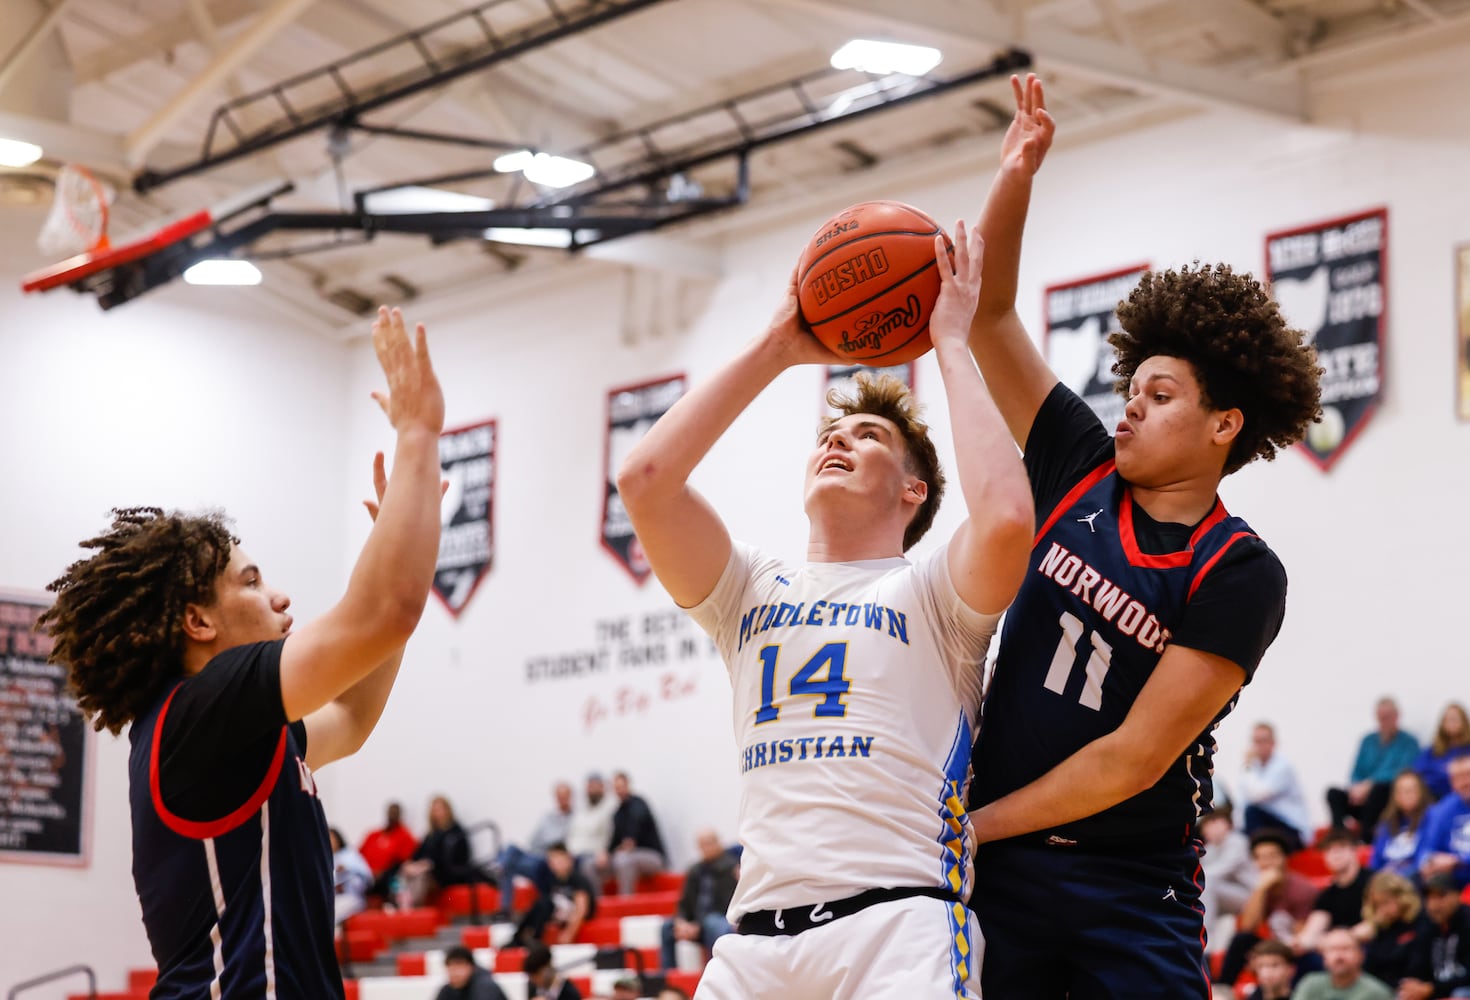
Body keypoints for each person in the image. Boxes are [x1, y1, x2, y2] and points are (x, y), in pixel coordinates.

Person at [959, 73, 1322, 1000]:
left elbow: (1132, 758)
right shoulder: (1079, 461)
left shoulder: (1239, 571)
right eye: (1132, 389)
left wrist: (976, 825)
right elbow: (993, 316)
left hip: (1132, 883)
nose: (1130, 408)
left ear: (1224, 424)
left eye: (1161, 398)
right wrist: (1015, 178)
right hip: (1002, 875)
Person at [617, 210, 1032, 997]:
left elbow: (1009, 516)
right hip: (754, 946)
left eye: (869, 435)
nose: (838, 440)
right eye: (830, 433)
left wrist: (949, 340)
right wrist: (778, 346)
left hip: (897, 930)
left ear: (914, 490)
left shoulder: (933, 591)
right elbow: (643, 481)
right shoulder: (747, 589)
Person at [37, 306, 444, 998]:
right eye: (251, 582)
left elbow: (352, 714)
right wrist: (417, 434)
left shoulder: (223, 734)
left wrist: (409, 548)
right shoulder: (200, 711)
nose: (279, 596)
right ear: (197, 621)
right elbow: (383, 613)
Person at [1219, 830, 1325, 987]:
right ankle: (1221, 991)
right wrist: (1261, 889)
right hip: (1274, 943)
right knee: (1242, 940)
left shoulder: (1302, 889)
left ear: (1284, 858)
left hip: (1298, 947)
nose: (1266, 862)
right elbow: (1248, 927)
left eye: (1272, 856)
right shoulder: (1261, 887)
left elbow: (1300, 939)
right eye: (1259, 858)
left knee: (1309, 960)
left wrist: (1267, 955)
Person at [1326, 698, 1420, 838]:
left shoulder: (1409, 742)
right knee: (1333, 793)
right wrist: (1356, 789)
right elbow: (1356, 771)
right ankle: (1340, 837)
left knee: (1379, 789)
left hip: (1386, 798)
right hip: (1362, 799)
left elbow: (1404, 773)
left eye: (1387, 717)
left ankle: (1366, 837)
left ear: (1397, 716)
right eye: (1380, 717)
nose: (1384, 721)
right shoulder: (1367, 741)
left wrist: (1369, 785)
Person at [660, 828, 738, 970]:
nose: (707, 848)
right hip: (695, 924)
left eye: (710, 843)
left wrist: (698, 925)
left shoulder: (731, 868)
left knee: (714, 923)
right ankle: (668, 975)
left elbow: (727, 904)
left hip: (717, 921)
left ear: (718, 842)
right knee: (667, 927)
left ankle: (717, 971)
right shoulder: (695, 870)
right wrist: (682, 921)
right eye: (703, 844)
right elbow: (685, 903)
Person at [1295, 828, 1372, 954]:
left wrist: (1336, 940)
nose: (1335, 854)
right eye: (1328, 850)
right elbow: (1312, 930)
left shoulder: (1375, 882)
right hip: (1341, 948)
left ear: (1355, 851)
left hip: (1373, 946)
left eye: (1341, 848)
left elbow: (1377, 923)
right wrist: (1299, 943)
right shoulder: (1328, 895)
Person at [1239, 722, 1313, 853]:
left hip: (1292, 830)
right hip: (1268, 826)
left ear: (1273, 743)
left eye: (1263, 740)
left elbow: (1257, 796)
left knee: (1252, 812)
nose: (1259, 746)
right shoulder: (1254, 767)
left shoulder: (1282, 766)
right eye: (1256, 741)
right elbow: (1242, 800)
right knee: (1238, 833)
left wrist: (1247, 766)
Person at [591, 771, 666, 896]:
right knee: (590, 865)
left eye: (621, 786)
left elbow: (634, 831)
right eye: (616, 787)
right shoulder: (617, 813)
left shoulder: (639, 804)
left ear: (628, 785)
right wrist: (605, 853)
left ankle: (626, 903)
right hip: (626, 856)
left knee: (623, 860)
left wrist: (629, 842)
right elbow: (614, 841)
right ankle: (598, 904)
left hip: (652, 856)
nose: (619, 790)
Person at [1397, 873, 1470, 1000]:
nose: (1433, 905)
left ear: (1458, 895)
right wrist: (1413, 986)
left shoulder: (1467, 922)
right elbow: (1417, 968)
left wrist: (1432, 989)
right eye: (1429, 898)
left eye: (1441, 896)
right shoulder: (1427, 925)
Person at [1199, 808, 1259, 952]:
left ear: (1226, 823)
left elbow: (1220, 870)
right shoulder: (1210, 848)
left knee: (1206, 884)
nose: (1207, 829)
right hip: (1226, 897)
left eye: (1212, 823)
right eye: (1205, 825)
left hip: (1250, 896)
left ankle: (1206, 937)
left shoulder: (1237, 840)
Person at [514, 842, 596, 946]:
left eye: (559, 861)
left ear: (568, 860)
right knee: (539, 905)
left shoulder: (578, 880)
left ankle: (532, 938)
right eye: (553, 861)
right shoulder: (552, 880)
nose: (556, 864)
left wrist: (569, 933)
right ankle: (519, 937)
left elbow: (581, 909)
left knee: (544, 903)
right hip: (559, 914)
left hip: (574, 916)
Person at [399, 795, 474, 907]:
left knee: (421, 875)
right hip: (427, 870)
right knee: (405, 870)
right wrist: (411, 864)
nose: (437, 813)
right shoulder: (431, 835)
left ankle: (412, 907)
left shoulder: (456, 833)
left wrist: (427, 865)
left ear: (447, 810)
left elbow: (453, 859)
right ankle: (400, 904)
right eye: (434, 810)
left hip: (447, 874)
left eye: (440, 809)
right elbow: (417, 854)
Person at [1355, 871, 1421, 989]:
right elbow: (1369, 969)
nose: (1383, 910)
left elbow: (1416, 966)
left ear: (1402, 897)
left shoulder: (1420, 921)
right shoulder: (1379, 928)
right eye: (1377, 905)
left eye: (1386, 902)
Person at [1416, 753, 1470, 890]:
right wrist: (1428, 861)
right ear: (1451, 782)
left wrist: (1459, 861)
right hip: (1447, 879)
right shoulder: (1441, 810)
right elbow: (1426, 847)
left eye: (1468, 774)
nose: (1465, 782)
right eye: (1458, 777)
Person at [1290, 928, 1393, 1000]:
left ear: (1360, 955)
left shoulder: (1377, 993)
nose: (1339, 956)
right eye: (1332, 949)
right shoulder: (1310, 984)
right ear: (1323, 956)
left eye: (1346, 949)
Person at [1368, 771, 1432, 879]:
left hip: (1414, 877)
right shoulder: (1386, 823)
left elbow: (1425, 857)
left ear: (1421, 792)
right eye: (1401, 791)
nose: (1406, 795)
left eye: (1411, 790)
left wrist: (1397, 872)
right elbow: (1376, 861)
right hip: (1386, 879)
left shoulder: (1431, 818)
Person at [361, 801, 420, 898]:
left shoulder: (405, 836)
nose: (392, 815)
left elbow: (404, 861)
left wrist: (382, 873)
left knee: (393, 879)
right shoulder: (373, 835)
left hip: (390, 878)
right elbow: (359, 856)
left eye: (395, 812)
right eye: (390, 812)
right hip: (367, 875)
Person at [1413, 703, 1470, 801]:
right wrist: (1445, 774)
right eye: (1448, 720)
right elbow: (1418, 772)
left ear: (1464, 721)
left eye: (1455, 719)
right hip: (1437, 797)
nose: (1451, 723)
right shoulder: (1433, 750)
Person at [330, 826, 374, 925]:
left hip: (352, 897)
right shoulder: (326, 859)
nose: (330, 841)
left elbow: (367, 876)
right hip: (333, 898)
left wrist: (347, 868)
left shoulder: (350, 855)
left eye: (332, 838)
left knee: (332, 913)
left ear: (338, 839)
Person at [434, 945, 509, 1000]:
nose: (454, 974)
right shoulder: (448, 990)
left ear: (471, 967)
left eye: (458, 968)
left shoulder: (486, 987)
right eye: (451, 969)